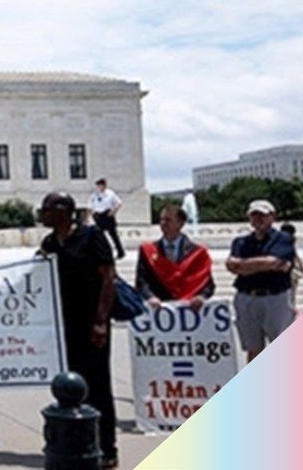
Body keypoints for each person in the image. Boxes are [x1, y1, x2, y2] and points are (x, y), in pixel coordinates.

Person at [39, 192, 118, 468]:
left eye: (47, 209)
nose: (42, 214)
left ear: (63, 211)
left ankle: (106, 447)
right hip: (63, 326)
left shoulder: (91, 236)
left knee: (97, 387)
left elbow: (108, 279)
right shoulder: (49, 243)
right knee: (69, 386)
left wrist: (100, 321)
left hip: (91, 323)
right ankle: (76, 442)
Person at [227, 200, 297, 363]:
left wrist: (244, 266)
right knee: (253, 349)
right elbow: (232, 266)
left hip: (275, 297)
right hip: (247, 297)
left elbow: (273, 261)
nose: (258, 219)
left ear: (272, 217)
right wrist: (267, 264)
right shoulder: (240, 241)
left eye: (263, 215)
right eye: (254, 215)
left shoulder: (283, 239)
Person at [134, 204, 214, 310]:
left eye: (168, 220)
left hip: (189, 309)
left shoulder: (197, 252)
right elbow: (141, 281)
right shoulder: (147, 251)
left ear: (180, 224)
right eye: (161, 220)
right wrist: (150, 297)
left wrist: (201, 297)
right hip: (158, 308)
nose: (163, 223)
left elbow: (207, 284)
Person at [89, 178, 126, 259]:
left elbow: (119, 203)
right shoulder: (95, 194)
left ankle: (121, 252)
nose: (99, 187)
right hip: (99, 216)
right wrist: (93, 214)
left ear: (104, 185)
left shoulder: (110, 193)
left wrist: (113, 211)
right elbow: (91, 205)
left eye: (101, 185)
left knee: (113, 235)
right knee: (98, 235)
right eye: (98, 186)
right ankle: (100, 253)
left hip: (108, 215)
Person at [280, 223, 303, 310]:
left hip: (283, 269)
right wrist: (300, 265)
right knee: (292, 291)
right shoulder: (290, 240)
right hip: (289, 269)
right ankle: (291, 307)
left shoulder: (279, 240)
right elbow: (294, 254)